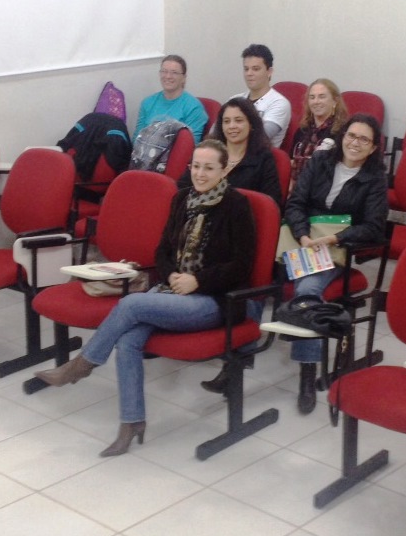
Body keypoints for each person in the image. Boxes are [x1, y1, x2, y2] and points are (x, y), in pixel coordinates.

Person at [33, 140, 255, 457]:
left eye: (209, 168)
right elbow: (162, 251)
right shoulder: (182, 199)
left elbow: (242, 265)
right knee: (128, 341)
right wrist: (172, 275)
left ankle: (83, 364)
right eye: (196, 166)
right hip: (172, 291)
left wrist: (198, 280)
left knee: (131, 304)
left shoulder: (236, 205)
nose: (200, 173)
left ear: (224, 170)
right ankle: (132, 422)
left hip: (214, 301)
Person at [281, 113, 387, 414]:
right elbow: (295, 203)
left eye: (364, 139)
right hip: (301, 240)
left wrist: (336, 238)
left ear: (372, 148)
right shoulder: (320, 161)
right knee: (256, 275)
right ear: (342, 137)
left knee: (307, 290)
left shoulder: (375, 179)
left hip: (335, 248)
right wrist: (303, 235)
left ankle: (307, 372)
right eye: (351, 136)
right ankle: (240, 356)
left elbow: (374, 226)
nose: (355, 143)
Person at [177, 97, 281, 206]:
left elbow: (270, 203)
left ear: (251, 124)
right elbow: (182, 189)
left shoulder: (263, 158)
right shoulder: (208, 151)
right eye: (226, 121)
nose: (232, 126)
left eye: (238, 120)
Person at [134, 54, 208, 142]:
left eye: (174, 72)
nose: (168, 76)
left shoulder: (194, 107)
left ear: (183, 78)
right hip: (145, 150)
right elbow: (137, 139)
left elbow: (190, 145)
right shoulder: (147, 103)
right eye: (164, 71)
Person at [290, 78, 349, 186]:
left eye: (322, 96)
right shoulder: (302, 130)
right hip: (296, 188)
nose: (316, 101)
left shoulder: (342, 134)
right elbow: (291, 162)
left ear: (335, 101)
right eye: (312, 97)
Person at [232, 44, 291, 148]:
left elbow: (261, 137)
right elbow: (214, 134)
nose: (249, 73)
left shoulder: (279, 103)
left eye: (255, 69)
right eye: (246, 69)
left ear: (269, 72)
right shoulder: (234, 100)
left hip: (260, 156)